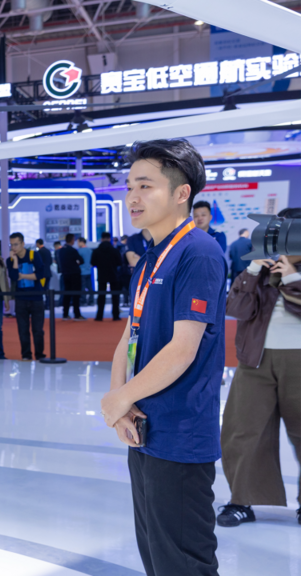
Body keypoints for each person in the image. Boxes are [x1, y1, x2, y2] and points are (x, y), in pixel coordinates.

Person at [101, 139, 226, 576]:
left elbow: (182, 349)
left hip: (181, 436)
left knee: (184, 563)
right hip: (143, 430)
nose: (132, 196)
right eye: (130, 185)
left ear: (180, 193)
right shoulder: (149, 258)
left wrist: (120, 400)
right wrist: (120, 401)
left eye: (146, 185)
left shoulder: (199, 253)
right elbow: (128, 335)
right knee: (155, 556)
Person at [218, 208, 301, 529]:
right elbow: (236, 309)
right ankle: (241, 500)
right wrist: (253, 270)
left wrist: (292, 275)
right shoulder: (260, 270)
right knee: (242, 431)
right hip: (255, 360)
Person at [7, 232, 48, 361]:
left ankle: (39, 354)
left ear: (23, 244)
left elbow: (40, 274)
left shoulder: (34, 255)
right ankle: (26, 355)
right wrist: (15, 261)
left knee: (38, 330)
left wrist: (23, 276)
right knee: (23, 330)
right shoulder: (10, 260)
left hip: (36, 298)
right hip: (21, 299)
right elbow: (14, 277)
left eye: (16, 244)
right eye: (11, 244)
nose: (13, 247)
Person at [92, 232, 123, 322]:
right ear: (109, 239)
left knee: (101, 296)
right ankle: (116, 315)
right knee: (115, 297)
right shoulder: (114, 250)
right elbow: (119, 262)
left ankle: (99, 316)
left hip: (101, 275)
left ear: (101, 239)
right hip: (113, 275)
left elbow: (93, 263)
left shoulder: (96, 251)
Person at [57, 233, 85, 320]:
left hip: (65, 274)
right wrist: (76, 264)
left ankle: (65, 314)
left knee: (66, 294)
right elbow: (81, 260)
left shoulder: (61, 250)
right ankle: (77, 314)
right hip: (74, 274)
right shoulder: (72, 250)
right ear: (72, 240)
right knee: (76, 294)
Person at [78, 237, 94, 306]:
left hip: (81, 272)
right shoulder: (90, 250)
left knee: (82, 288)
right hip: (89, 271)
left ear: (82, 242)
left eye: (78, 242)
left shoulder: (79, 251)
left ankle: (83, 301)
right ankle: (91, 301)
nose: (77, 244)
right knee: (90, 288)